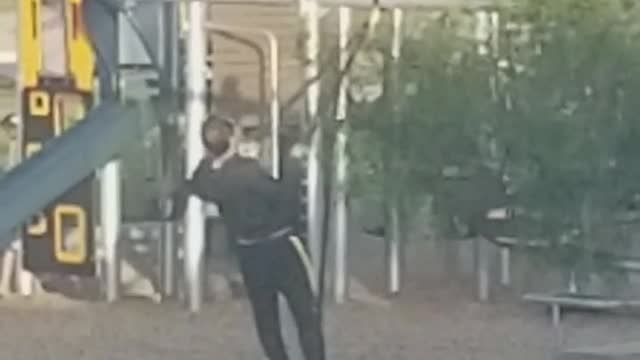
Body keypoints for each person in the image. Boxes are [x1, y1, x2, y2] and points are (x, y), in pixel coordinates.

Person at [171, 115, 325, 360]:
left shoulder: (207, 178)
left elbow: (193, 182)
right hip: (280, 245)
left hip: (248, 253)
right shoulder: (248, 172)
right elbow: (282, 196)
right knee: (305, 314)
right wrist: (294, 162)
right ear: (232, 139)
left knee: (266, 320)